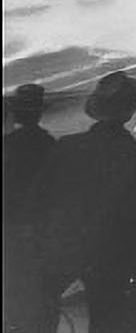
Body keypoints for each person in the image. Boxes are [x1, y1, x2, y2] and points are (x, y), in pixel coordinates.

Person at [39, 71, 136, 333]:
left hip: (64, 247)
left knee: (43, 317)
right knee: (105, 321)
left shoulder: (67, 145)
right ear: (129, 112)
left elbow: (42, 198)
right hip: (110, 253)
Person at [3, 84, 57, 333]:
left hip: (10, 231)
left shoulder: (8, 145)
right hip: (42, 234)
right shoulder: (51, 145)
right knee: (40, 298)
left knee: (14, 295)